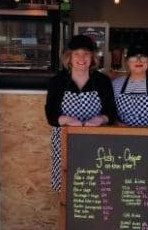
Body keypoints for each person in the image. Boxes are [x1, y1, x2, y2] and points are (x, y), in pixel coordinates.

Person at [45, 34, 117, 191]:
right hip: (64, 141)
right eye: (76, 54)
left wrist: (101, 119)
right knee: (67, 186)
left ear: (92, 58)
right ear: (69, 57)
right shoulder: (58, 81)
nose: (81, 58)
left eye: (86, 54)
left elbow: (111, 112)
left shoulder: (102, 81)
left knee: (94, 188)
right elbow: (50, 114)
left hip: (96, 143)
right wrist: (66, 119)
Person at [112, 42, 148, 127]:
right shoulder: (116, 84)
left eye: (143, 57)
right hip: (122, 134)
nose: (138, 61)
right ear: (127, 61)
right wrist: (116, 122)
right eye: (134, 57)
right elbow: (112, 113)